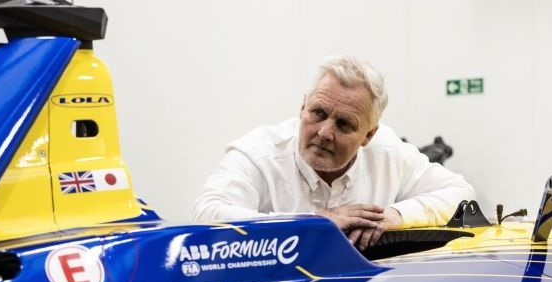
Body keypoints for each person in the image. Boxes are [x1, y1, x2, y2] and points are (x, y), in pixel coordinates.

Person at [193, 56, 475, 250]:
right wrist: (315, 223)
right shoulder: (259, 153)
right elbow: (207, 215)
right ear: (303, 107)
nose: (325, 132)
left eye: (344, 124)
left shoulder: (388, 152)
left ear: (369, 135)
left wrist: (397, 215)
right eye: (318, 113)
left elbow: (461, 192)